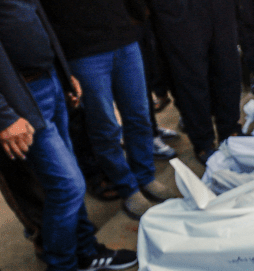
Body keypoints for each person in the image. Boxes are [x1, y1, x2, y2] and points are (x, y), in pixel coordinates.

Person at [0, 0, 138, 271]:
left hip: (47, 82)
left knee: (69, 174)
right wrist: (5, 116)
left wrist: (63, 75)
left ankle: (86, 253)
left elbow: (38, 17)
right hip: (21, 99)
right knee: (67, 186)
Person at [39, 0, 174, 220]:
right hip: (83, 51)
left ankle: (145, 176)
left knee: (139, 116)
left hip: (124, 39)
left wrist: (136, 16)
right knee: (105, 126)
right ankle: (128, 188)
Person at [145, 0, 242, 164]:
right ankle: (204, 141)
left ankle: (231, 130)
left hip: (219, 7)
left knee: (227, 66)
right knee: (190, 76)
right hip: (179, 9)